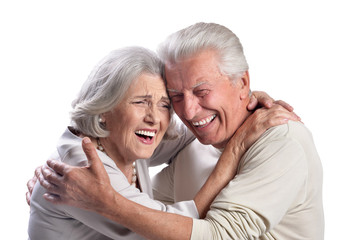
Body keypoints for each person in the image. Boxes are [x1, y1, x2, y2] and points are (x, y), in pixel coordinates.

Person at [28, 45, 295, 239]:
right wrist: (236, 148)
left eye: (164, 104)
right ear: (104, 109)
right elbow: (173, 228)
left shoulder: (123, 141)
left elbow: (197, 127)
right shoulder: (84, 166)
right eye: (141, 102)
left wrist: (241, 101)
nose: (154, 117)